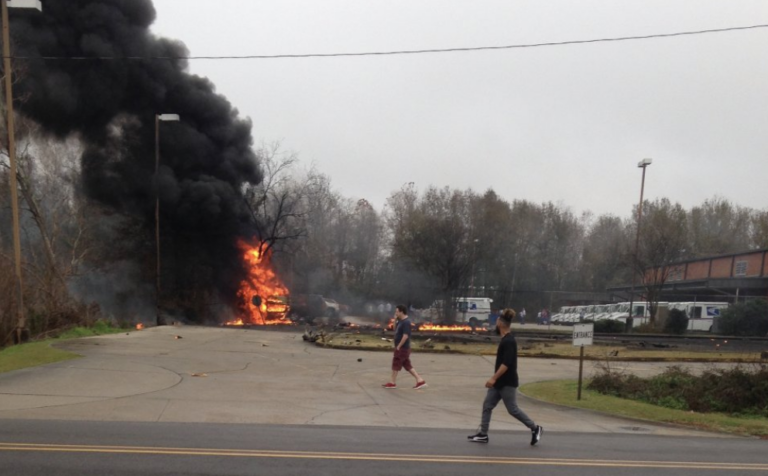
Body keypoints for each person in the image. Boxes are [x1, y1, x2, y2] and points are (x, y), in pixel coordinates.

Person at [468, 309, 543, 445]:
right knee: (487, 405)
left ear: (501, 324)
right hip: (499, 383)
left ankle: (535, 428)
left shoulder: (509, 341)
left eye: (497, 321)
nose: (495, 324)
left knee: (512, 409)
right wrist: (495, 380)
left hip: (507, 382)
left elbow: (506, 364)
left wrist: (493, 378)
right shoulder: (505, 340)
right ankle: (483, 434)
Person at [382, 305, 427, 390]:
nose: (396, 313)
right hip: (402, 348)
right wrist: (395, 319)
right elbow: (395, 329)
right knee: (407, 365)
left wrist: (399, 346)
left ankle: (392, 382)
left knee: (396, 363)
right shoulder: (401, 321)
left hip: (403, 348)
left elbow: (405, 336)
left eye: (397, 311)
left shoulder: (406, 322)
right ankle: (420, 380)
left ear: (401, 311)